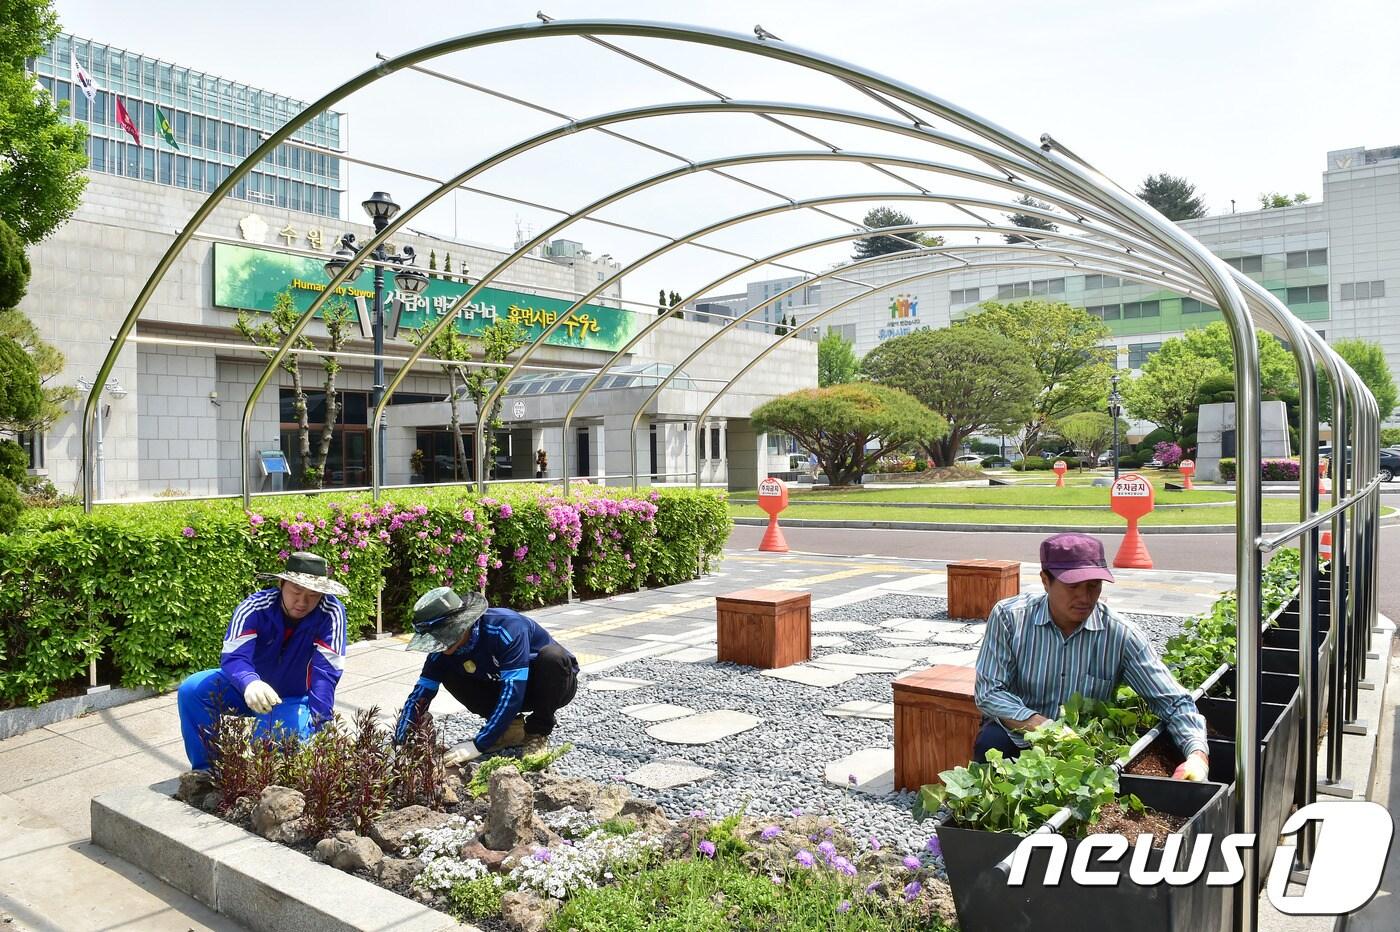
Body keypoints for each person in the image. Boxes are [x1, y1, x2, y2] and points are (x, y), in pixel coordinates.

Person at [972, 532, 1210, 781]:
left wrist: (1197, 755)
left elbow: (1173, 701)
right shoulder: (1010, 618)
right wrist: (1042, 727)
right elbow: (989, 692)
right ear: (1045, 581)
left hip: (1083, 748)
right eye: (1073, 586)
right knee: (991, 744)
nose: (1085, 597)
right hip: (1017, 734)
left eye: (1093, 585)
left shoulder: (1120, 634)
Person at [177, 551, 348, 771]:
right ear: (281, 583)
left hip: (293, 697)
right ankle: (207, 770)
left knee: (271, 742)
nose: (302, 602)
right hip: (246, 689)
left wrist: (321, 724)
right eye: (296, 591)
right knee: (192, 690)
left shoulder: (331, 612)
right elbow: (234, 655)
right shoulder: (255, 607)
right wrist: (249, 682)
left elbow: (326, 672)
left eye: (313, 595)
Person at [393, 586, 579, 764]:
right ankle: (510, 729)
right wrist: (400, 742)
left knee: (553, 657)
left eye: (444, 633)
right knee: (448, 672)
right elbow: (420, 694)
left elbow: (513, 691)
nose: (440, 641)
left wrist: (478, 744)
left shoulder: (506, 627)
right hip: (499, 683)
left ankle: (537, 732)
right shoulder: (441, 652)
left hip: (546, 686)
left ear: (462, 622)